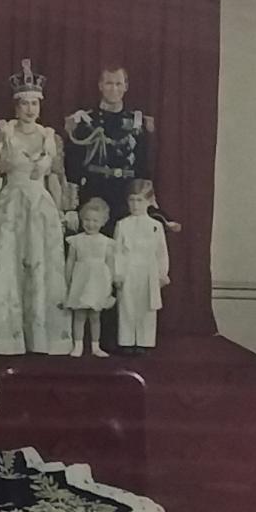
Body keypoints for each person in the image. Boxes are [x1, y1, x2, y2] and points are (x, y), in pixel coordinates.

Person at [0, 60, 72, 356]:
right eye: (25, 103)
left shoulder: (50, 138)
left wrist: (62, 212)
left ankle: (42, 336)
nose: (30, 109)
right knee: (7, 266)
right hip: (11, 208)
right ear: (16, 106)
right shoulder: (5, 135)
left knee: (42, 268)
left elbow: (56, 178)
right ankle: (5, 338)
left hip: (41, 209)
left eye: (35, 103)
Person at [63, 65, 180, 233]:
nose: (114, 89)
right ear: (100, 86)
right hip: (94, 192)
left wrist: (149, 202)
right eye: (109, 83)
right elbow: (72, 167)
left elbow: (143, 167)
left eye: (118, 84)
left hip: (126, 196)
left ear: (126, 86)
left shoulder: (138, 123)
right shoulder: (86, 121)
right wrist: (71, 208)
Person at [113, 180, 170, 351]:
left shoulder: (156, 226)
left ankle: (145, 341)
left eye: (140, 200)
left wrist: (162, 273)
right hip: (129, 270)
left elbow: (161, 252)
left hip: (148, 270)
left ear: (149, 201)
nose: (135, 205)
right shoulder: (122, 225)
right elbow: (117, 251)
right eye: (132, 200)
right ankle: (126, 341)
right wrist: (118, 273)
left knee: (147, 307)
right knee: (127, 305)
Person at [64, 197, 116, 357]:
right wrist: (68, 280)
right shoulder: (76, 240)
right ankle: (78, 345)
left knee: (95, 316)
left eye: (95, 221)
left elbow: (110, 264)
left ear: (102, 222)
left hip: (98, 281)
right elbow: (70, 261)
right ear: (81, 220)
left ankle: (95, 346)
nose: (90, 224)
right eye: (87, 220)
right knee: (79, 315)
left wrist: (111, 283)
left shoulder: (106, 242)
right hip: (81, 280)